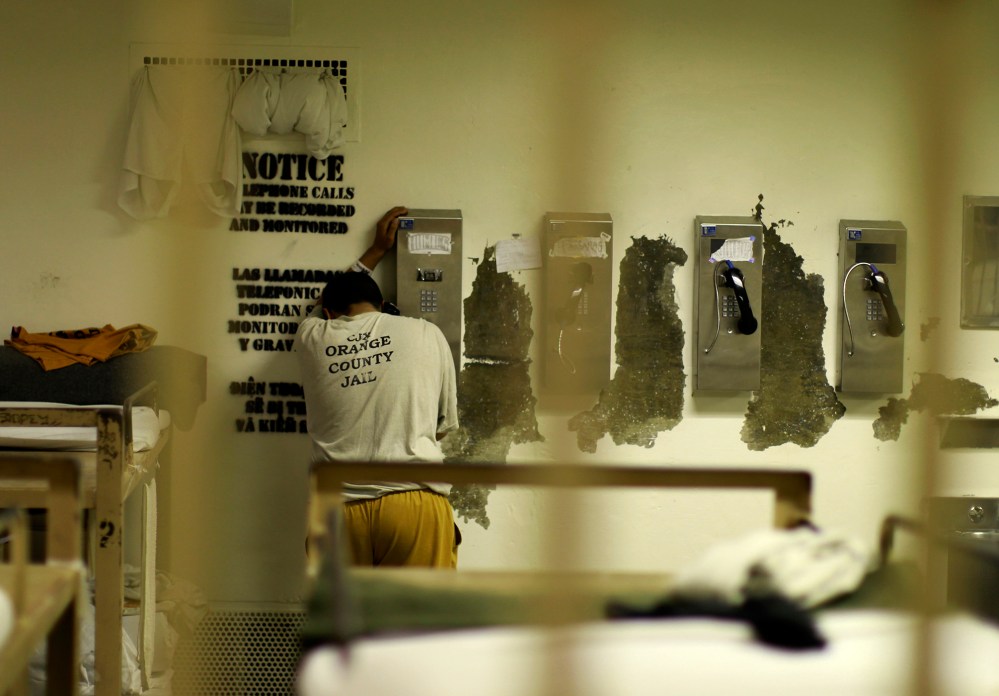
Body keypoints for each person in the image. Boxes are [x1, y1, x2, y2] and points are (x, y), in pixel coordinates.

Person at [295, 206, 460, 568]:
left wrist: (372, 253)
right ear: (384, 307)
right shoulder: (426, 333)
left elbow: (318, 304)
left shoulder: (310, 336)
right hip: (413, 503)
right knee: (422, 623)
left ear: (327, 314)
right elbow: (441, 426)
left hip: (336, 511)